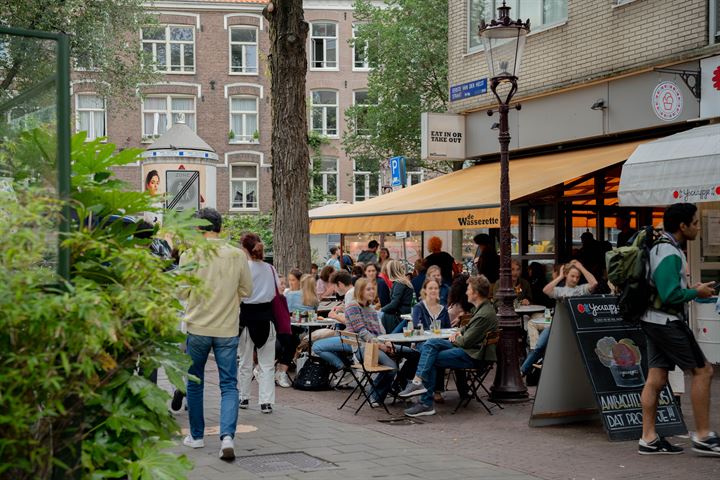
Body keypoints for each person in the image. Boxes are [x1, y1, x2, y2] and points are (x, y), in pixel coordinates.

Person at [638, 203, 719, 456]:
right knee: (703, 371)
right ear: (682, 226)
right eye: (695, 223)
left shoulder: (663, 246)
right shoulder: (668, 251)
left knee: (657, 378)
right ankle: (704, 436)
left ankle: (648, 439)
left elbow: (667, 288)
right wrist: (697, 291)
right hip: (666, 321)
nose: (698, 227)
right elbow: (669, 294)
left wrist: (691, 287)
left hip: (653, 319)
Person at [179, 208, 253, 460]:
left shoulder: (190, 254)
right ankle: (227, 437)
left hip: (197, 326)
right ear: (220, 228)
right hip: (227, 327)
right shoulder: (236, 255)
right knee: (229, 384)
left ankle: (197, 436)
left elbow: (180, 292)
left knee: (195, 382)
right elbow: (247, 290)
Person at [399, 275, 498, 417]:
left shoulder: (483, 313)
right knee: (431, 344)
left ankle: (425, 402)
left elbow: (465, 341)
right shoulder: (482, 309)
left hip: (473, 355)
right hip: (469, 349)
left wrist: (457, 336)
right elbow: (465, 330)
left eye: (468, 289)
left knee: (430, 357)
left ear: (476, 293)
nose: (466, 292)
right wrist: (459, 334)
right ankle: (417, 383)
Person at [312, 278, 397, 404]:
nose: (372, 291)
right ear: (360, 291)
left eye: (373, 289)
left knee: (411, 353)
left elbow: (377, 330)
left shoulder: (367, 306)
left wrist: (386, 342)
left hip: (358, 340)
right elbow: (360, 330)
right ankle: (348, 370)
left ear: (339, 284)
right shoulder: (354, 303)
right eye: (369, 289)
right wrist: (381, 344)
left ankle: (399, 386)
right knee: (317, 346)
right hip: (359, 344)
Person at [520, 260, 598, 376]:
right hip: (556, 326)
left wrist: (581, 267)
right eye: (572, 276)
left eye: (577, 277)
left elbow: (594, 283)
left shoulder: (581, 290)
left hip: (571, 328)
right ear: (567, 275)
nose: (575, 279)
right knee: (539, 346)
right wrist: (560, 276)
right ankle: (522, 371)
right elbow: (546, 290)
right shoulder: (559, 290)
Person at [238, 233, 279, 415]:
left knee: (245, 361)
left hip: (245, 317)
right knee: (267, 363)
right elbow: (279, 291)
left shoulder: (242, 268)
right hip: (266, 317)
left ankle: (244, 397)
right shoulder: (270, 269)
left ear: (244, 249)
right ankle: (266, 402)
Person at [380, 260, 414, 333]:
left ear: (391, 271)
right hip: (404, 314)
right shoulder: (403, 282)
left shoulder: (399, 283)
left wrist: (381, 310)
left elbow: (394, 304)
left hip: (399, 317)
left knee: (381, 315)